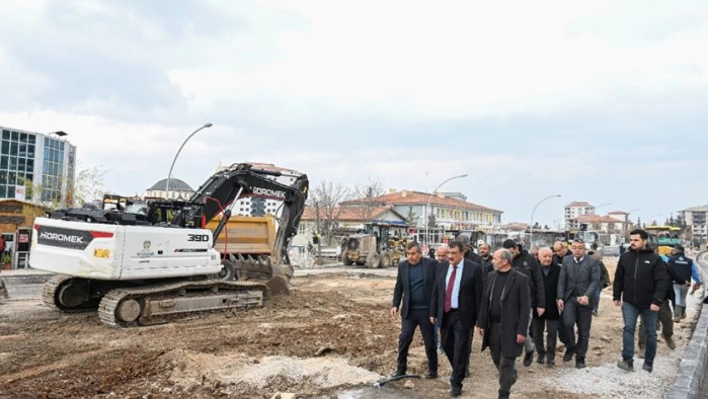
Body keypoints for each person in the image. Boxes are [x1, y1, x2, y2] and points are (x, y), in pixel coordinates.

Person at [430, 240, 483, 397]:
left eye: (454, 253)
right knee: (446, 345)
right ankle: (459, 368)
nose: (450, 256)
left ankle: (456, 382)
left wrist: (480, 320)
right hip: (445, 313)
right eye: (449, 253)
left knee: (461, 347)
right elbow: (436, 291)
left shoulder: (473, 269)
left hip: (463, 314)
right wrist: (433, 312)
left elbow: (480, 296)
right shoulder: (441, 267)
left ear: (462, 253)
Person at [477, 248, 530, 399]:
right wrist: (481, 322)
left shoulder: (520, 279)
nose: (492, 261)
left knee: (507, 360)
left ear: (505, 261)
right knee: (497, 359)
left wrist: (522, 331)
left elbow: (525, 308)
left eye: (495, 258)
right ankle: (509, 375)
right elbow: (484, 301)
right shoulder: (491, 276)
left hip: (511, 328)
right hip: (492, 326)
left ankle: (503, 393)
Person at [614, 229, 668, 373]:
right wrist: (616, 296)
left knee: (651, 332)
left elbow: (662, 282)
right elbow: (619, 277)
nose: (632, 242)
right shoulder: (625, 257)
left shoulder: (655, 259)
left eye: (636, 240)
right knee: (628, 328)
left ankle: (648, 362)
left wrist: (656, 301)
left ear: (644, 241)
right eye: (631, 240)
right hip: (629, 302)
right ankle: (627, 361)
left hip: (649, 303)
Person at [390, 241, 439, 378]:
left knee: (429, 342)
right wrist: (395, 304)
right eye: (408, 254)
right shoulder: (403, 266)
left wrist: (436, 310)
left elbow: (438, 286)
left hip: (427, 312)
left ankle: (433, 371)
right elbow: (399, 287)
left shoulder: (431, 264)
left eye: (413, 254)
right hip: (409, 312)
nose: (410, 257)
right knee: (404, 339)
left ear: (420, 253)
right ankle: (400, 369)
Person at [557, 239, 600, 369]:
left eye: (580, 247)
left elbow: (595, 281)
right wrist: (560, 297)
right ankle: (570, 346)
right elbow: (562, 279)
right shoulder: (566, 260)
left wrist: (587, 295)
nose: (577, 250)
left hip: (585, 300)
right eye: (574, 247)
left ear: (584, 249)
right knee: (567, 323)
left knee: (583, 331)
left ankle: (580, 358)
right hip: (570, 298)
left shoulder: (592, 262)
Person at [502, 239, 544, 368]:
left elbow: (538, 282)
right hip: (509, 304)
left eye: (511, 252)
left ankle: (529, 349)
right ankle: (511, 366)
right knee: (510, 333)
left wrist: (540, 303)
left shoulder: (530, 259)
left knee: (522, 330)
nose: (510, 255)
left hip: (527, 302)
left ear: (516, 248)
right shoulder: (504, 260)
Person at [638, 252, 685, 352]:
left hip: (662, 301)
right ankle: (643, 346)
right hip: (646, 301)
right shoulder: (641, 268)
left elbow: (676, 277)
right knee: (644, 323)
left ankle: (667, 335)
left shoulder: (666, 267)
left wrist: (685, 282)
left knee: (667, 320)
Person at [533, 247, 561, 366]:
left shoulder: (558, 269)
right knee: (537, 332)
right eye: (545, 256)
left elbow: (561, 286)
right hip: (537, 305)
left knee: (552, 332)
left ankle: (550, 356)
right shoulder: (533, 270)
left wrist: (560, 298)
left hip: (552, 305)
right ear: (538, 257)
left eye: (550, 256)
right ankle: (540, 353)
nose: (548, 259)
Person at [668, 245, 702, 322]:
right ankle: (683, 313)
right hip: (686, 283)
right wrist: (698, 282)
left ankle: (677, 315)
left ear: (676, 250)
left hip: (674, 283)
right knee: (683, 298)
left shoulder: (671, 260)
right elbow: (695, 273)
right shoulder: (689, 261)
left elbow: (666, 270)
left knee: (677, 297)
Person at [587, 250, 611, 316]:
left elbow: (605, 271)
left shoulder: (599, 263)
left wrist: (607, 280)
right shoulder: (585, 263)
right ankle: (590, 309)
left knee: (596, 296)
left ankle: (595, 309)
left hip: (598, 282)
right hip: (588, 283)